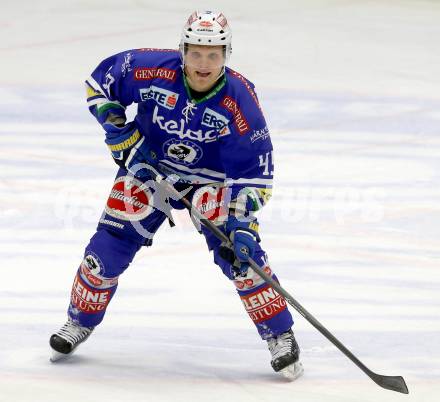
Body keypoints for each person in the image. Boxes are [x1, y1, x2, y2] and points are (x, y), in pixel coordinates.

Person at [50, 10, 303, 380]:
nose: (203, 63)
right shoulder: (150, 68)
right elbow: (99, 82)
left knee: (241, 258)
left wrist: (242, 223)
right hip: (150, 170)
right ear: (182, 50)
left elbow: (256, 177)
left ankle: (280, 334)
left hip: (213, 184)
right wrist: (117, 129)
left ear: (226, 55)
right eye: (196, 52)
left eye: (214, 54)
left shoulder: (241, 99)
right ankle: (78, 322)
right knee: (105, 250)